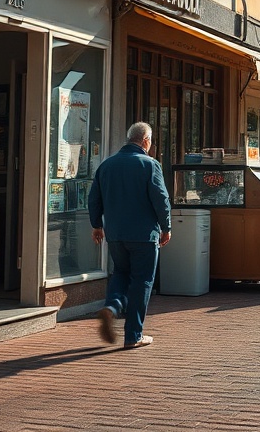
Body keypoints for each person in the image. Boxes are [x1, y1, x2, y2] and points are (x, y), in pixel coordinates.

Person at [89, 121, 171, 349]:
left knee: (121, 273)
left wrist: (97, 225)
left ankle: (112, 307)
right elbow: (161, 199)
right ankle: (134, 334)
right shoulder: (150, 165)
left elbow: (94, 198)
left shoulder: (107, 165)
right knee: (142, 281)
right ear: (146, 140)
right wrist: (167, 227)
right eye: (151, 141)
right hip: (144, 235)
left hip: (115, 234)